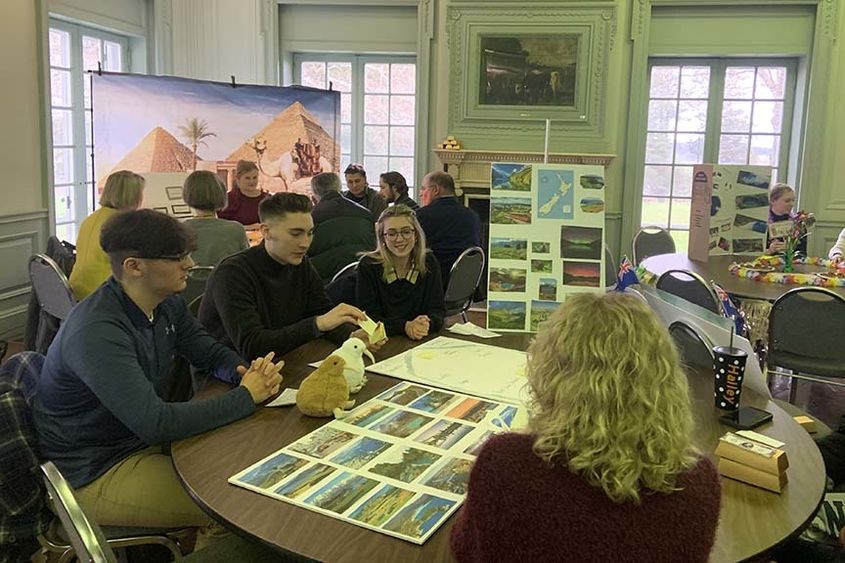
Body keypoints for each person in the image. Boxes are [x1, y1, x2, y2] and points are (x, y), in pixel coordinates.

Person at [32, 209, 283, 533]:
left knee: (244, 466)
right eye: (177, 258)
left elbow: (204, 350)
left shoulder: (163, 301)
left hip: (132, 442)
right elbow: (156, 424)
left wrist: (244, 372)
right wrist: (247, 396)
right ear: (133, 267)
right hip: (93, 471)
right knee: (231, 507)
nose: (190, 265)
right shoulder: (98, 332)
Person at [450, 292, 721, 563]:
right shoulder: (698, 484)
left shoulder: (504, 465)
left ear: (552, 372)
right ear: (665, 380)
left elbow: (467, 549)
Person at [199, 193, 381, 361]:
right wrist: (317, 324)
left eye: (310, 233)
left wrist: (350, 336)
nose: (305, 243)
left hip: (283, 360)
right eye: (296, 234)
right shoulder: (232, 273)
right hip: (231, 374)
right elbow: (252, 346)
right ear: (266, 231)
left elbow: (321, 311)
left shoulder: (301, 264)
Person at [357, 205, 445, 341]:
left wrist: (427, 323)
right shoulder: (368, 265)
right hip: (383, 341)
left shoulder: (428, 261)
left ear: (415, 234)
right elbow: (368, 318)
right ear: (383, 238)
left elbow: (438, 310)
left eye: (406, 232)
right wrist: (405, 326)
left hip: (419, 339)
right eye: (392, 234)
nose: (399, 239)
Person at [69, 170, 144, 300]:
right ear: (133, 195)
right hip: (103, 294)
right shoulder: (122, 224)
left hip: (75, 292)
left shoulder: (91, 218)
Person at [416, 171, 482, 288]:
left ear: (435, 190)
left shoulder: (422, 216)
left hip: (433, 285)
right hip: (464, 286)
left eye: (423, 189)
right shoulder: (473, 216)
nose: (421, 194)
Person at [307, 172, 376, 282]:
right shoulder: (365, 213)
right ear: (339, 187)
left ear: (315, 194)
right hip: (362, 278)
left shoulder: (311, 217)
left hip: (324, 283)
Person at [182, 170, 249, 267]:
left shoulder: (180, 231)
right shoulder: (235, 230)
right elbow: (246, 266)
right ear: (221, 193)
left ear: (187, 194)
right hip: (225, 281)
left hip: (187, 282)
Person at [218, 160, 268, 229]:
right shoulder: (229, 199)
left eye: (254, 177)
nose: (252, 181)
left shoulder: (267, 199)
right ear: (238, 179)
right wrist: (248, 227)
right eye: (247, 178)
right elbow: (220, 225)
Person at [767, 183, 806, 254]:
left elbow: (803, 254)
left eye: (793, 200)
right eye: (787, 201)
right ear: (773, 201)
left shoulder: (798, 223)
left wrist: (791, 248)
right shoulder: (761, 222)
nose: (792, 204)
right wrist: (769, 251)